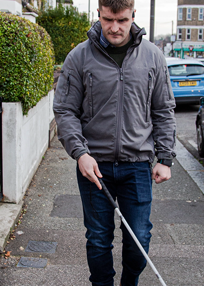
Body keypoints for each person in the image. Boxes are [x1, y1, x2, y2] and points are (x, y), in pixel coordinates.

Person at [53, 0, 176, 285]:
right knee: (98, 239)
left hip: (138, 166)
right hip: (93, 166)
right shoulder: (79, 58)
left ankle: (129, 282)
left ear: (133, 15)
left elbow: (163, 109)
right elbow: (65, 110)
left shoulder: (153, 57)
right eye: (108, 19)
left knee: (139, 239)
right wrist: (80, 153)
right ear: (99, 14)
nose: (115, 27)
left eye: (122, 20)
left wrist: (165, 158)